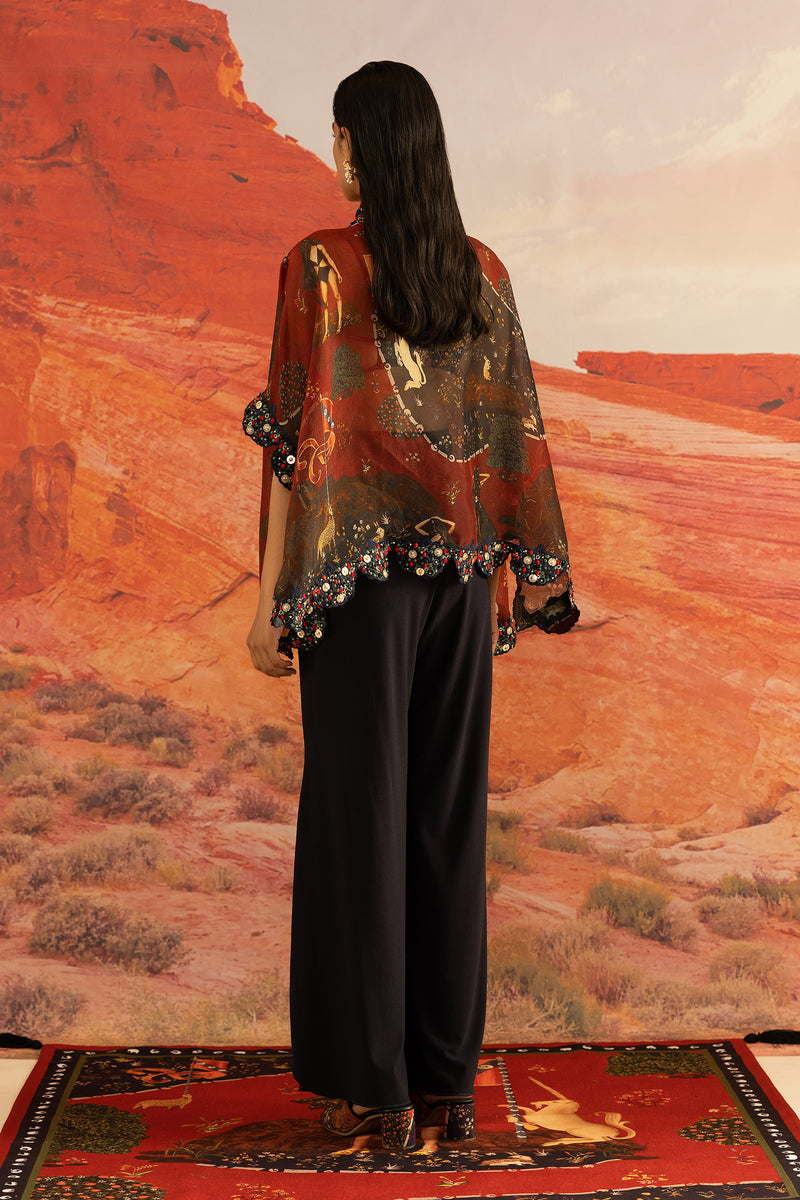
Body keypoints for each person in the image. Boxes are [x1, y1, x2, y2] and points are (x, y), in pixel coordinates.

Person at [243, 61, 578, 1152]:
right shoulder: (480, 273)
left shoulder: (320, 269)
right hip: (461, 591)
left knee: (361, 824)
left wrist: (269, 599)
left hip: (358, 593)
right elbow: (514, 431)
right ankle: (444, 1087)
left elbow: (291, 445)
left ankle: (374, 1090)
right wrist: (524, 573)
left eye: (340, 136)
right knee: (442, 823)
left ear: (365, 147)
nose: (333, 154)